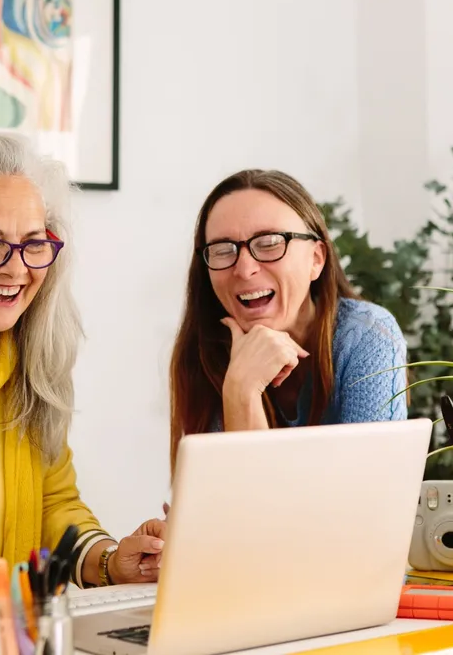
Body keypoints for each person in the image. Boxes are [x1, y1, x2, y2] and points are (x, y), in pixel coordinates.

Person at [0, 133, 164, 607]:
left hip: (8, 636)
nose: (16, 268)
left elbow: (53, 506)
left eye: (34, 244)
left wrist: (110, 560)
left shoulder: (32, 368)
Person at [169, 169, 407, 470]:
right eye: (222, 250)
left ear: (316, 260)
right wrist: (241, 388)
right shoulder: (207, 350)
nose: (244, 269)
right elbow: (234, 506)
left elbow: (370, 492)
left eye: (269, 243)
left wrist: (241, 391)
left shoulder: (368, 336)